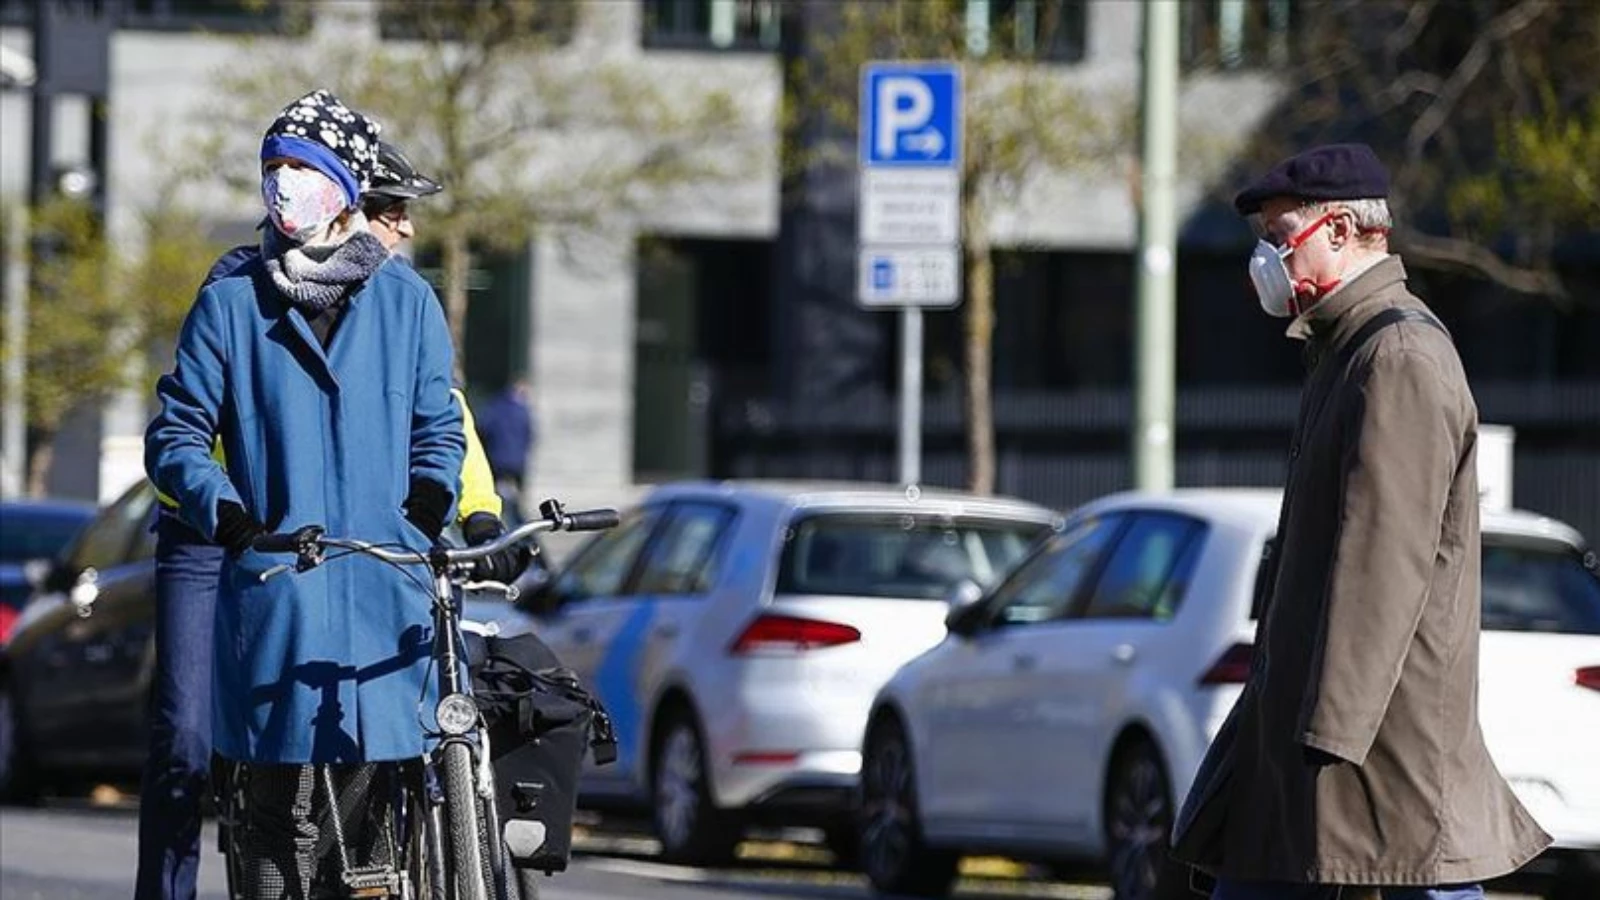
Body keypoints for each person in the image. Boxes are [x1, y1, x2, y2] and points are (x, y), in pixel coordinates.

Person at [134, 135, 525, 900]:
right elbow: (183, 431)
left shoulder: (406, 302)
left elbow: (444, 421)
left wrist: (470, 514)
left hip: (361, 550)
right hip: (229, 537)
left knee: (375, 750)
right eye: (391, 208)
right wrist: (229, 510)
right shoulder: (234, 296)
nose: (403, 227)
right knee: (188, 742)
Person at [1168, 144, 1550, 899]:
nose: (1266, 260)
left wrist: (1326, 740)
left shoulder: (1396, 355)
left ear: (1341, 231)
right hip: (1322, 755)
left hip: (1371, 760)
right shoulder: (1348, 347)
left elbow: (1384, 566)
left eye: (1281, 238)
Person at [476, 376, 536, 519]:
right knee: (514, 497)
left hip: (499, 459)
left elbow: (483, 427)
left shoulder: (496, 406)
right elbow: (530, 435)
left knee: (499, 495)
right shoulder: (522, 410)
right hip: (514, 461)